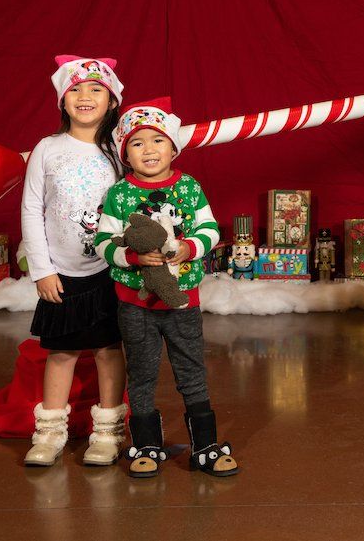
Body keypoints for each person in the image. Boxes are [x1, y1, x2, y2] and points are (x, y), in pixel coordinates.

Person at [95, 98, 238, 478]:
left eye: (157, 141)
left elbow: (210, 230)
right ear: (126, 154)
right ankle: (146, 444)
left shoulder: (189, 188)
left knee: (190, 370)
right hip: (135, 304)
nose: (149, 150)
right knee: (141, 373)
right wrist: (132, 257)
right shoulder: (120, 194)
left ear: (173, 147)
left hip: (182, 303)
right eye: (137, 143)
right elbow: (103, 242)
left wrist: (189, 248)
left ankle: (205, 445)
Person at [20, 55, 128, 466]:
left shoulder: (120, 150)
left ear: (112, 99)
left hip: (108, 269)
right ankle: (49, 433)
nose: (85, 97)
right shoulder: (47, 149)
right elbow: (32, 209)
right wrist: (41, 269)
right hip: (61, 273)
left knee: (107, 348)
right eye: (75, 90)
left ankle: (108, 431)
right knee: (61, 352)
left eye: (96, 89)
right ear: (62, 101)